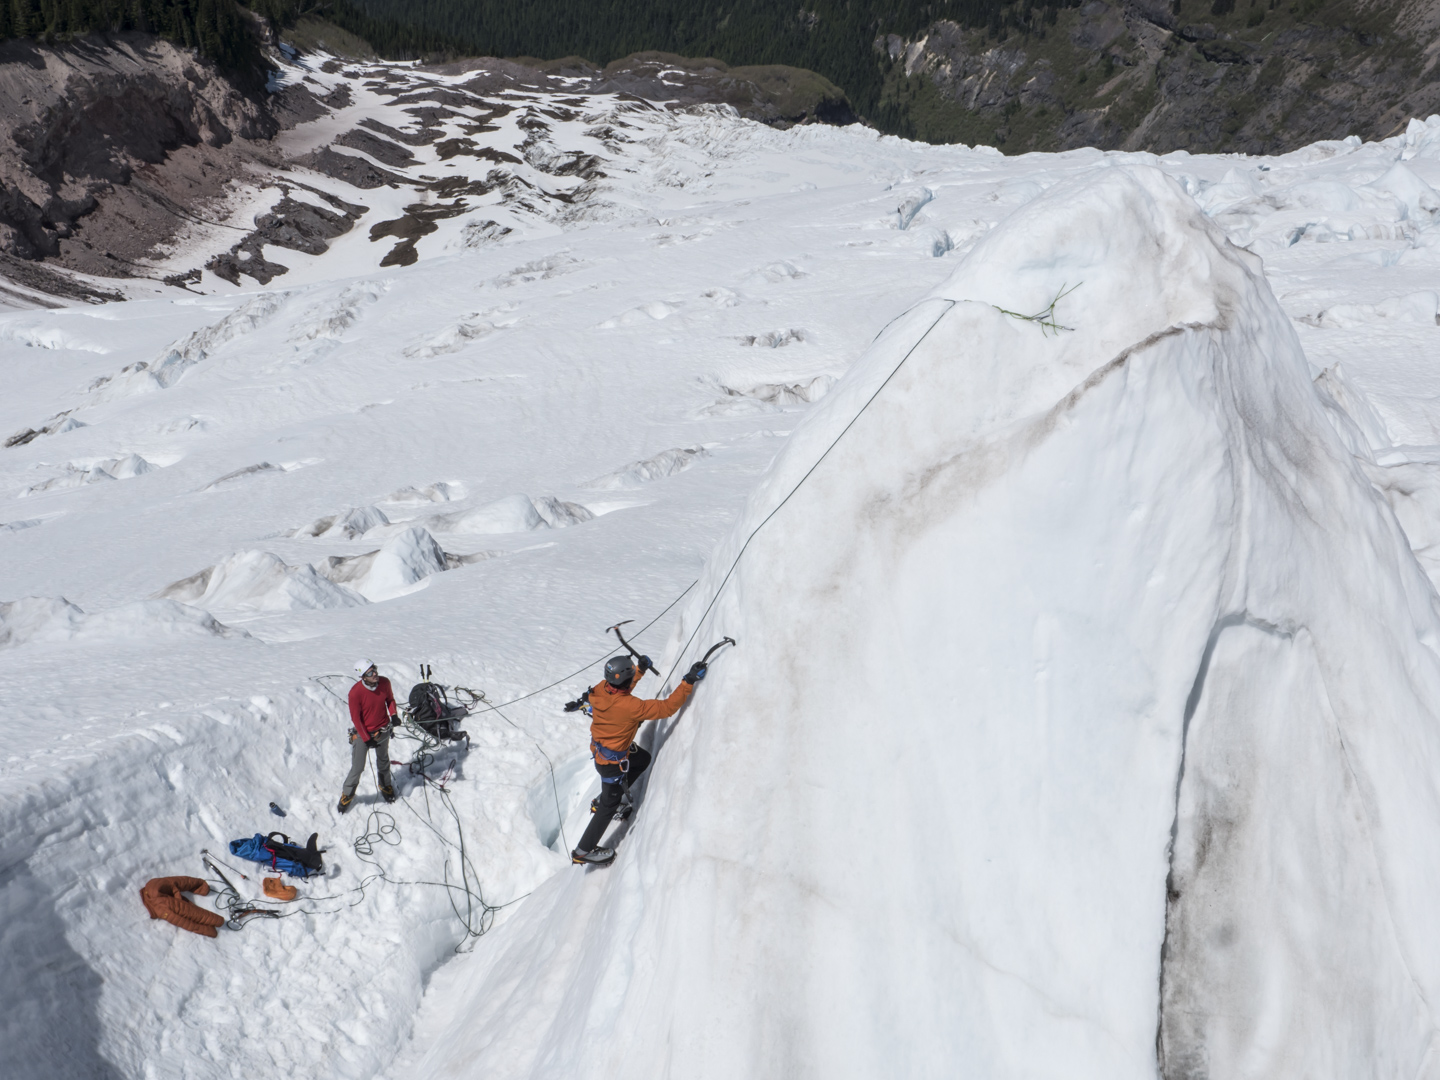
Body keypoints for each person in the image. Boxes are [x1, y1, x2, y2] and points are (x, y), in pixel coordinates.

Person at [568, 653, 709, 865]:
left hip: (603, 752)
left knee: (642, 759)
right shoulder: (632, 707)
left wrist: (640, 671)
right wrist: (687, 682)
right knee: (609, 805)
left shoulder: (600, 689)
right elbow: (667, 707)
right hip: (612, 764)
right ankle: (583, 851)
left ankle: (604, 800)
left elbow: (620, 691)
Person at [340, 659, 397, 813]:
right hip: (363, 733)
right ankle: (347, 794)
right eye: (370, 673)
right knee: (358, 767)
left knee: (383, 760)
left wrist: (394, 715)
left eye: (375, 669)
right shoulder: (355, 693)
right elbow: (356, 719)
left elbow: (390, 700)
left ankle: (385, 785)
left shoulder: (385, 683)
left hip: (383, 730)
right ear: (363, 677)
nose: (375, 674)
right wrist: (366, 738)